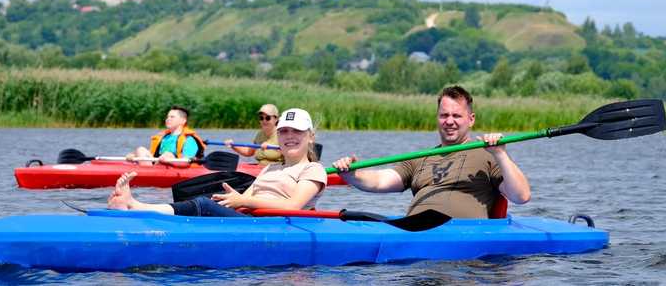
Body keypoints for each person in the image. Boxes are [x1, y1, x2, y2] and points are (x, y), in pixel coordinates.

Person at [332, 85, 531, 218]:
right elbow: (379, 181)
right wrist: (351, 175)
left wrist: (501, 154)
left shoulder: (488, 155)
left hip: (463, 248)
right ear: (437, 118)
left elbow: (521, 196)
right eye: (444, 115)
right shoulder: (420, 159)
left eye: (456, 115)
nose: (449, 121)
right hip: (415, 233)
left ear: (471, 119)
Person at [109, 108, 326, 216]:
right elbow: (244, 199)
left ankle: (137, 206)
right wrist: (229, 198)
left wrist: (244, 201)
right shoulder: (271, 167)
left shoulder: (313, 169)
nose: (290, 137)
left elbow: (293, 206)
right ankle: (145, 211)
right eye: (284, 131)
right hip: (254, 220)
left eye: (297, 131)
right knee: (207, 199)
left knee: (204, 205)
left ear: (311, 136)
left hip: (280, 226)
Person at [126, 105, 206, 165]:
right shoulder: (164, 137)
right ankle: (145, 173)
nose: (168, 119)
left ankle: (148, 173)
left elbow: (186, 161)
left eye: (172, 117)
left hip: (176, 167)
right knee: (141, 150)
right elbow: (152, 155)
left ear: (183, 120)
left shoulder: (189, 140)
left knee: (168, 154)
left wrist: (169, 159)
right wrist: (134, 156)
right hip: (158, 165)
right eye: (167, 117)